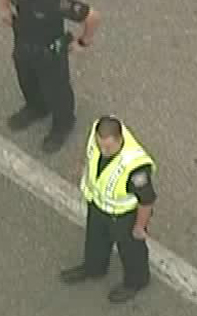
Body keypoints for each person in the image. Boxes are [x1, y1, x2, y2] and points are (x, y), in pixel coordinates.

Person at [0, 0, 99, 153]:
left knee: (57, 90)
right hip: (24, 43)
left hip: (49, 52)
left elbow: (92, 16)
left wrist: (83, 42)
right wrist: (3, 5)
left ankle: (63, 124)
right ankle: (36, 108)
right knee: (26, 80)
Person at [60, 115, 156, 303]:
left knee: (131, 251)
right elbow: (92, 160)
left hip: (123, 216)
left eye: (109, 147)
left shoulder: (136, 168)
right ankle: (94, 268)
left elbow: (146, 200)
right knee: (95, 240)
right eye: (100, 145)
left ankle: (136, 281)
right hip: (98, 205)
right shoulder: (98, 129)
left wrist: (139, 227)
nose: (103, 151)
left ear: (120, 140)